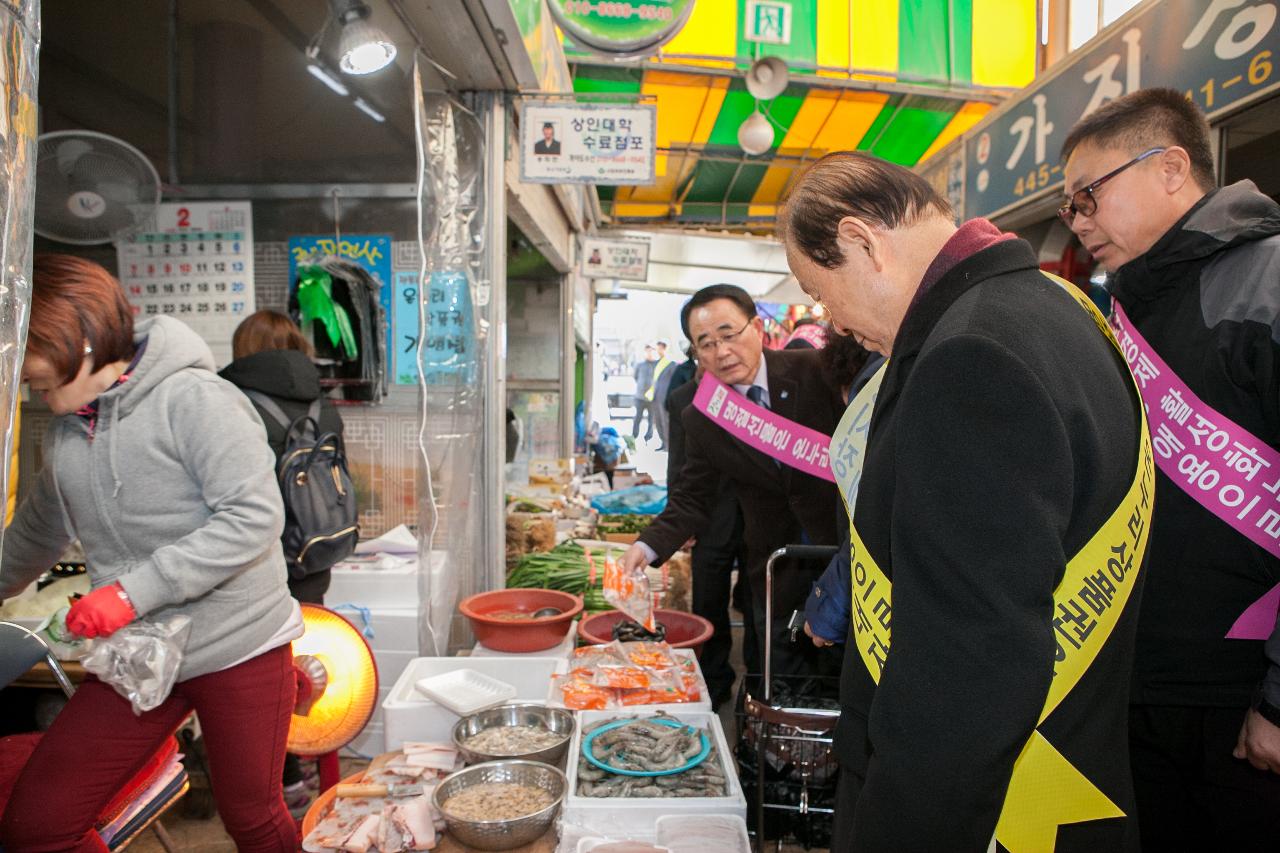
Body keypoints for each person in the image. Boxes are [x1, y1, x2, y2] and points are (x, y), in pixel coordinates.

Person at [781, 152, 1150, 852]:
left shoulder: (968, 357)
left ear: (863, 243)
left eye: (818, 288)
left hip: (990, 818)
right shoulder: (1063, 310)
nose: (825, 317)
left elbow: (965, 676)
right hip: (1071, 781)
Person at [0, 255, 299, 850]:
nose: (18, 372)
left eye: (25, 353)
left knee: (253, 818)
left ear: (76, 342)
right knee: (37, 825)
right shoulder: (67, 429)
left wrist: (131, 592)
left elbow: (254, 518)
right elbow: (36, 533)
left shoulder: (195, 400)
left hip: (239, 644)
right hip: (139, 656)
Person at [1061, 87, 1280, 851]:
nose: (1080, 221)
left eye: (1090, 194)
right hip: (1135, 687)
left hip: (1244, 699)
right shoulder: (1116, 310)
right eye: (1070, 208)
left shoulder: (1266, 285)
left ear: (1171, 167)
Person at [619, 284, 845, 679]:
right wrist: (647, 546)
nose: (721, 352)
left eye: (729, 334)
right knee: (780, 671)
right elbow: (692, 498)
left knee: (845, 673)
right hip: (776, 564)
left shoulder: (815, 371)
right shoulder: (702, 415)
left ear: (756, 326)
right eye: (704, 343)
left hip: (844, 552)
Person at [219, 308, 345, 817]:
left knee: (265, 674)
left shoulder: (232, 401)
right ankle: (311, 757)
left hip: (259, 560)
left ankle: (285, 781)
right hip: (317, 551)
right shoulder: (322, 400)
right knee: (306, 663)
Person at [665, 338, 755, 708]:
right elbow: (678, 464)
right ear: (695, 357)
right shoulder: (683, 398)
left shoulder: (750, 389)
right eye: (705, 349)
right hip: (709, 513)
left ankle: (756, 682)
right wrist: (679, 522)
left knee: (756, 600)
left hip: (755, 515)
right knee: (708, 598)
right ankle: (714, 681)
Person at [646, 340, 675, 450]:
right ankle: (663, 443)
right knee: (658, 422)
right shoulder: (657, 363)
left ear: (664, 348)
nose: (657, 351)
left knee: (665, 421)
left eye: (659, 348)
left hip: (665, 397)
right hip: (656, 396)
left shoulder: (671, 363)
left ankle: (668, 445)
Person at [632, 345, 657, 441]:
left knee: (651, 419)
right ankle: (634, 436)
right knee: (637, 418)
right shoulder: (640, 365)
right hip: (639, 397)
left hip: (651, 398)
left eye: (651, 351)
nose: (649, 353)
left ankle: (648, 437)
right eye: (647, 351)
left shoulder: (656, 365)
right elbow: (635, 377)